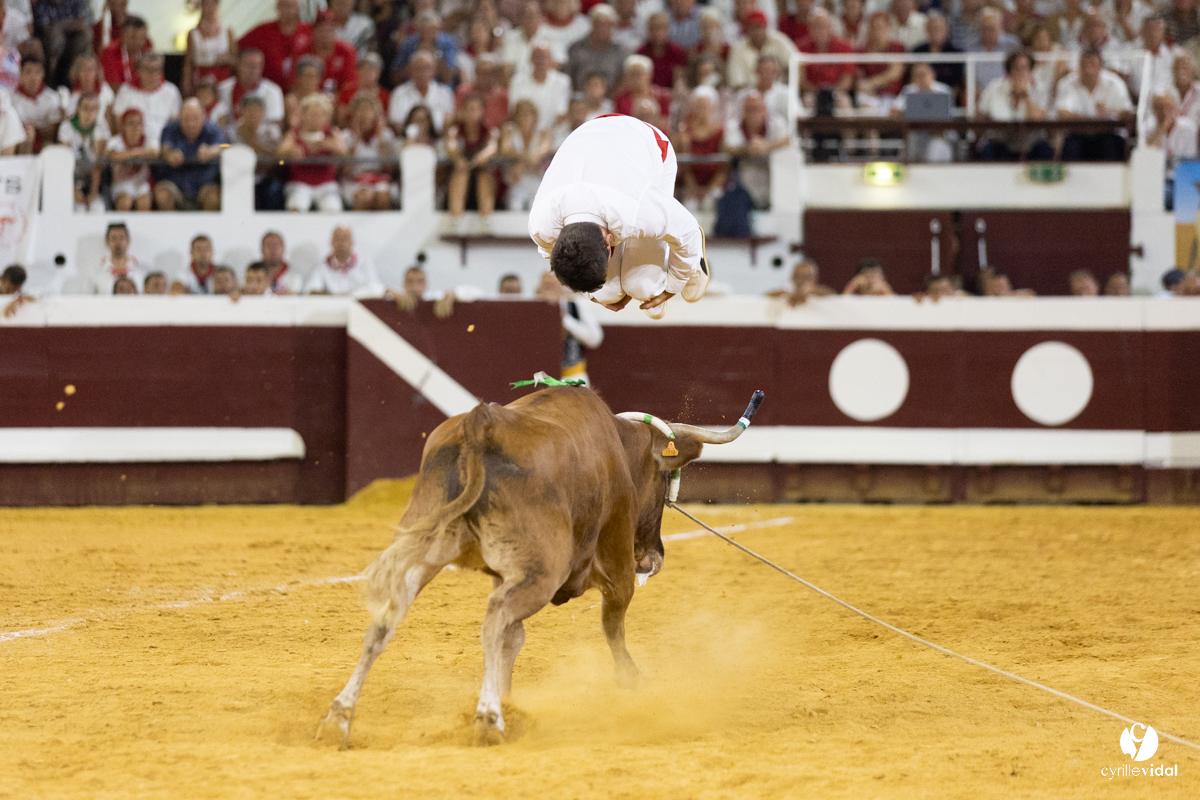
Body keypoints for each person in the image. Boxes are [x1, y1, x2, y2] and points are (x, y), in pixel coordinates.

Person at [529, 114, 709, 318]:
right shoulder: (541, 227)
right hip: (591, 140)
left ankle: (696, 264)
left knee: (642, 286)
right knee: (607, 293)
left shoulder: (636, 212)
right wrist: (594, 296)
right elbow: (558, 261)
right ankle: (637, 282)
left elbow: (687, 229)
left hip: (651, 146)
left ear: (608, 241)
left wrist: (672, 286)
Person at [1055, 49, 1133, 161]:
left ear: (1100, 67)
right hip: (1077, 135)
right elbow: (1062, 113)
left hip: (1108, 135)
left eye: (1092, 65)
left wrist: (1109, 114)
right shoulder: (1067, 83)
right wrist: (1092, 121)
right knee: (1070, 146)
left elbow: (1127, 113)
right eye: (1084, 65)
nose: (1088, 70)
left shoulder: (1115, 83)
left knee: (1110, 145)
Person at [976, 50, 1053, 160]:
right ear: (1009, 71)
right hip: (1001, 141)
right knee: (987, 150)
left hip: (1031, 143)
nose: (1020, 73)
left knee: (1045, 150)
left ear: (1031, 71)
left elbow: (1035, 119)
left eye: (1024, 68)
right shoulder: (995, 87)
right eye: (1016, 68)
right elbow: (981, 113)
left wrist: (1025, 95)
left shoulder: (1040, 89)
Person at [155, 98, 226, 212]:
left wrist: (212, 150)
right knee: (163, 194)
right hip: (175, 184)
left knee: (214, 197)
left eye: (195, 118)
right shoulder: (170, 129)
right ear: (179, 117)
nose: (191, 123)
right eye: (186, 119)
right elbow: (164, 148)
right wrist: (169, 155)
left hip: (205, 185)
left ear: (203, 117)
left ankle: (207, 229)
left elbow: (226, 146)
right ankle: (169, 228)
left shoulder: (214, 130)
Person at [535, 270, 604, 386]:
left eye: (554, 285)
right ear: (539, 288)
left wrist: (565, 322)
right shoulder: (533, 310)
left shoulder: (575, 306)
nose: (551, 290)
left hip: (573, 376)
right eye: (547, 286)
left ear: (562, 287)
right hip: (542, 379)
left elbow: (595, 339)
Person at [280, 93, 347, 212]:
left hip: (326, 184)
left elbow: (344, 153)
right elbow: (280, 155)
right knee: (296, 205)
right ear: (304, 114)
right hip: (299, 183)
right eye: (312, 113)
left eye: (321, 114)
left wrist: (327, 145)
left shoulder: (332, 133)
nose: (316, 117)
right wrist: (291, 151)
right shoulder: (294, 133)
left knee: (332, 207)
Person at [724, 92, 789, 208]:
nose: (753, 113)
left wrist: (767, 146)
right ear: (743, 111)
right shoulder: (733, 125)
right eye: (749, 109)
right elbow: (729, 147)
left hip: (771, 182)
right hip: (743, 183)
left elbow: (788, 140)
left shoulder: (776, 123)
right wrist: (749, 148)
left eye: (757, 109)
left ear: (765, 110)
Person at [445, 92, 499, 228]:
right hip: (460, 178)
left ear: (482, 112)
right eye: (469, 109)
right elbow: (451, 146)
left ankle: (486, 221)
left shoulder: (487, 131)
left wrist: (480, 158)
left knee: (484, 175)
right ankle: (455, 221)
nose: (472, 113)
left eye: (475, 109)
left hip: (480, 179)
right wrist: (459, 159)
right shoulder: (456, 130)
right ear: (462, 111)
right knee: (461, 174)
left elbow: (492, 147)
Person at [238, 0, 312, 91]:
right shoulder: (263, 31)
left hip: (300, 91)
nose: (289, 10)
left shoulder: (309, 31)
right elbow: (238, 46)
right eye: (285, 6)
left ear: (298, 8)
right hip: (268, 89)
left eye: (292, 6)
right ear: (277, 8)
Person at [675, 85, 727, 214]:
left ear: (712, 107)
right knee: (689, 207)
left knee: (712, 203)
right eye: (699, 106)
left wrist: (709, 189)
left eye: (705, 106)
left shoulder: (720, 132)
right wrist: (692, 187)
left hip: (713, 183)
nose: (702, 110)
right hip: (690, 183)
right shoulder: (685, 132)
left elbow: (724, 168)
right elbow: (684, 165)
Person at [111, 52, 181, 145]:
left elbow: (175, 125)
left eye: (155, 69)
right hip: (134, 149)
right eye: (146, 69)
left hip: (164, 148)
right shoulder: (126, 91)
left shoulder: (172, 92)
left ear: (161, 71)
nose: (151, 74)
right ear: (139, 70)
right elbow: (119, 124)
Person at [341, 94, 397, 211]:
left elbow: (389, 169)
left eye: (368, 109)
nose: (364, 113)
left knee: (382, 196)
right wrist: (356, 140)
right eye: (360, 109)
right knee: (364, 197)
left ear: (375, 115)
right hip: (355, 180)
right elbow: (345, 171)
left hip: (380, 178)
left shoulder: (386, 135)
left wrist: (381, 139)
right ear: (354, 114)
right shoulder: (346, 136)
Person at [56, 90, 106, 212]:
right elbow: (64, 163)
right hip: (71, 177)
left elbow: (98, 165)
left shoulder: (101, 127)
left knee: (97, 209)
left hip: (92, 179)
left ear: (98, 111)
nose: (89, 113)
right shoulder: (67, 127)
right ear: (78, 109)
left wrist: (93, 193)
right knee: (77, 209)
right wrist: (72, 189)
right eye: (86, 108)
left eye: (94, 109)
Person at [500, 97, 552, 210]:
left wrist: (520, 161)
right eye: (522, 114)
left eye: (529, 114)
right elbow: (506, 149)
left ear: (535, 117)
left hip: (537, 181)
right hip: (515, 182)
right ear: (516, 116)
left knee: (536, 209)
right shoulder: (509, 129)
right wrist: (527, 159)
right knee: (515, 206)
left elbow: (543, 150)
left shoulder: (544, 132)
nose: (525, 118)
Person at [725, 9, 795, 90]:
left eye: (761, 27)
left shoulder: (780, 41)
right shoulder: (738, 48)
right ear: (747, 30)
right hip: (749, 92)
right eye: (755, 28)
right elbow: (735, 82)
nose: (759, 31)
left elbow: (796, 64)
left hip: (777, 90)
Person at [306, 225, 385, 296]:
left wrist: (352, 294)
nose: (341, 242)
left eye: (345, 238)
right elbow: (311, 290)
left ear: (352, 242)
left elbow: (377, 288)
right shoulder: (322, 266)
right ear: (331, 242)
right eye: (337, 238)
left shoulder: (365, 264)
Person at [388, 51, 455, 134]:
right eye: (418, 68)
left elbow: (449, 122)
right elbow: (395, 122)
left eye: (427, 68)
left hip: (438, 140)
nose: (423, 73)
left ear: (434, 71)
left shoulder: (445, 93)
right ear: (411, 71)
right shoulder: (398, 93)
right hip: (406, 140)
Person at [509, 44, 571, 133]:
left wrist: (546, 135)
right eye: (537, 57)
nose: (541, 61)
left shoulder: (562, 82)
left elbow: (561, 114)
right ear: (530, 59)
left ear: (551, 60)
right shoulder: (517, 82)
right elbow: (515, 112)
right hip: (525, 134)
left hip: (554, 134)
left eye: (544, 57)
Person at [565, 4, 626, 92]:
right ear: (592, 24)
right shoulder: (576, 48)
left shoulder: (619, 51)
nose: (602, 29)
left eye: (606, 25)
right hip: (580, 98)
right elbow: (568, 76)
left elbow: (621, 80)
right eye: (599, 24)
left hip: (609, 100)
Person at [182, 0, 236, 97]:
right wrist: (186, 83)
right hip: (201, 77)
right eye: (206, 4)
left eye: (213, 4)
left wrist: (228, 59)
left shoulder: (227, 31)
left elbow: (236, 59)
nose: (210, 8)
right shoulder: (193, 34)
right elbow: (188, 62)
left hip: (222, 76)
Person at [218, 49, 285, 126]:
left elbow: (275, 123)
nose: (254, 70)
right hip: (230, 135)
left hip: (262, 135)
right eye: (249, 65)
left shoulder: (273, 91)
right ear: (239, 65)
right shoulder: (223, 89)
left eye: (258, 66)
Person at [107, 108, 157, 211]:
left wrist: (129, 154)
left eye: (139, 123)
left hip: (141, 183)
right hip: (121, 183)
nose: (135, 127)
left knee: (144, 203)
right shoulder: (115, 141)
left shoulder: (148, 140)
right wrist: (137, 152)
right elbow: (114, 155)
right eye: (131, 123)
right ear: (123, 126)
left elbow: (155, 153)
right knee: (125, 202)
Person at [33, 0, 92, 87]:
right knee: (57, 35)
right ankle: (52, 78)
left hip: (72, 41)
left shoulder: (76, 1)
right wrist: (67, 25)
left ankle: (78, 77)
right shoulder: (42, 3)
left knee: (86, 34)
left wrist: (65, 26)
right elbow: (45, 28)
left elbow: (83, 23)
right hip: (50, 43)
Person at [11, 54, 61, 153]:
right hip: (20, 144)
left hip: (44, 144)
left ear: (43, 74)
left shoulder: (52, 98)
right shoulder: (12, 99)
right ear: (21, 74)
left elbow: (54, 134)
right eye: (28, 72)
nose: (33, 77)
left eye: (37, 72)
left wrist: (37, 130)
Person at [304, 10, 357, 97]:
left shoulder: (346, 51)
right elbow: (296, 83)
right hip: (310, 100)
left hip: (338, 101)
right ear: (313, 32)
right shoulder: (304, 51)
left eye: (329, 30)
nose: (325, 34)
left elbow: (349, 84)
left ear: (335, 32)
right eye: (321, 30)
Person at [454, 53, 509, 131]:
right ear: (475, 73)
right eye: (482, 72)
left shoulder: (503, 95)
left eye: (490, 73)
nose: (486, 76)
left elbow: (506, 121)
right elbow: (457, 116)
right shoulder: (463, 92)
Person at [98, 13, 149, 91]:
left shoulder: (147, 48)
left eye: (142, 38)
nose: (138, 42)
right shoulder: (109, 52)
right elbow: (112, 86)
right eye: (133, 37)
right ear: (123, 35)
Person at [767, 259, 836, 305]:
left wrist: (812, 291)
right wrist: (783, 293)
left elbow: (835, 297)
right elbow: (763, 298)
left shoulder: (821, 294)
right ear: (792, 278)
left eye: (806, 277)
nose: (801, 281)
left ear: (814, 279)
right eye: (798, 276)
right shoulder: (786, 292)